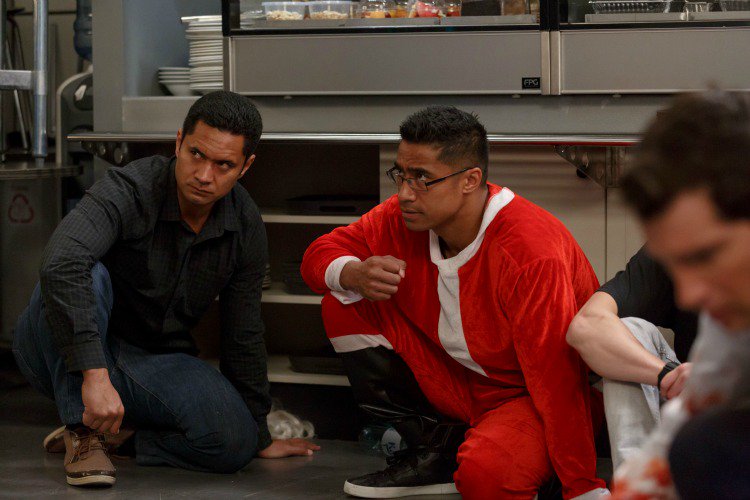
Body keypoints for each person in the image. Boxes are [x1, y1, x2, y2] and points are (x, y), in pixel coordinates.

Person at [12, 90, 319, 487]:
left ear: (246, 166)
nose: (204, 175)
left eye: (224, 164)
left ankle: (119, 439)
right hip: (64, 349)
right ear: (178, 142)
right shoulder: (129, 188)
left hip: (151, 360)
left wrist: (259, 434)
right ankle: (83, 432)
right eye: (196, 154)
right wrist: (95, 375)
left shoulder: (244, 225)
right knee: (84, 273)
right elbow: (61, 263)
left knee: (236, 443)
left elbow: (243, 331)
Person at [301, 106, 609, 499]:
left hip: (527, 395)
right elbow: (319, 253)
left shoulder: (530, 249)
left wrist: (582, 486)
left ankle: (519, 454)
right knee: (344, 299)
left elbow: (558, 378)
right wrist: (353, 273)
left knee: (485, 478)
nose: (405, 193)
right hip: (458, 379)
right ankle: (434, 451)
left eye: (422, 178)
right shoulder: (402, 216)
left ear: (470, 180)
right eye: (401, 174)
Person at [609, 90, 750, 499]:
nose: (688, 296)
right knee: (694, 444)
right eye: (673, 266)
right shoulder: (734, 313)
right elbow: (680, 425)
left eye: (705, 255)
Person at [566, 245, 698, 470]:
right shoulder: (680, 244)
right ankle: (634, 480)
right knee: (627, 334)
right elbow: (586, 326)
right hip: (689, 396)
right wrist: (667, 375)